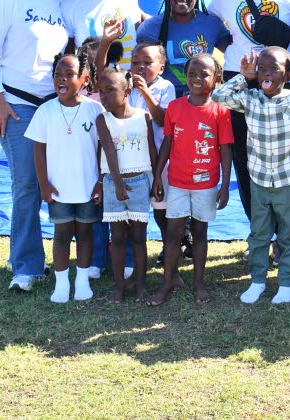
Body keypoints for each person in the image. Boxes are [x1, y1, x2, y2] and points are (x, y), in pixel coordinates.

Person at [211, 44, 290, 306]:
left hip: (288, 181)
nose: (266, 73)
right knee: (259, 234)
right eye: (262, 68)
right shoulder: (250, 98)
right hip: (259, 180)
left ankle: (286, 282)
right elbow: (218, 96)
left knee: (288, 235)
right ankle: (257, 281)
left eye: (274, 69)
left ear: (287, 76)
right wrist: (244, 77)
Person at [0, 0, 70, 293]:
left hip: (51, 105)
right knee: (27, 185)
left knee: (56, 182)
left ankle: (38, 254)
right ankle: (27, 266)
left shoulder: (61, 8)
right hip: (16, 106)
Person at [207, 0, 290, 221]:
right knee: (244, 157)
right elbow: (211, 25)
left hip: (280, 80)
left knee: (282, 155)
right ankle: (259, 229)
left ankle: (284, 228)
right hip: (241, 78)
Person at [26, 49, 111, 303]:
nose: (62, 79)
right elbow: (39, 149)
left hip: (87, 188)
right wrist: (43, 184)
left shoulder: (95, 111)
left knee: (86, 234)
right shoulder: (45, 111)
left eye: (69, 74)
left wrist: (100, 182)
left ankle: (82, 281)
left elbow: (102, 149)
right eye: (57, 74)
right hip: (58, 189)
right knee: (62, 234)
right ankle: (62, 283)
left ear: (85, 79)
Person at [149, 53, 233, 306]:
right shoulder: (175, 107)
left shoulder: (220, 111)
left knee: (200, 232)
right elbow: (167, 143)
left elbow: (226, 149)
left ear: (216, 78)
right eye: (192, 74)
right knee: (173, 233)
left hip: (206, 186)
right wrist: (158, 177)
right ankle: (168, 283)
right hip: (177, 182)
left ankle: (198, 283)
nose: (197, 78)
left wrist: (225, 185)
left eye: (204, 74)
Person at [97, 65, 162, 302]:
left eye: (109, 91)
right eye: (101, 91)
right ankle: (119, 287)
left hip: (140, 181)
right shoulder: (102, 120)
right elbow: (108, 151)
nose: (103, 97)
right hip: (114, 185)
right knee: (118, 237)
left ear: (126, 91)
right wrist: (116, 183)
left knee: (138, 237)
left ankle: (141, 284)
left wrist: (156, 180)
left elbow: (152, 150)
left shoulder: (143, 117)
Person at [135, 0, 230, 98]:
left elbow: (233, 51)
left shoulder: (212, 23)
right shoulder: (150, 28)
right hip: (164, 100)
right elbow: (138, 63)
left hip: (202, 98)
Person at [127, 42, 177, 264]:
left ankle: (170, 250)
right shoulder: (125, 85)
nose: (140, 67)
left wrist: (145, 92)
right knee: (134, 215)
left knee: (161, 209)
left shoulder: (166, 87)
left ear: (162, 67)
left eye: (148, 63)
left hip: (160, 161)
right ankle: (133, 257)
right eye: (135, 62)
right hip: (131, 159)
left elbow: (161, 119)